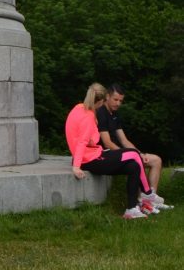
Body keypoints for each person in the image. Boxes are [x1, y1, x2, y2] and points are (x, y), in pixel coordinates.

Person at [65, 82, 160, 219]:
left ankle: (131, 209)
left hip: (93, 155)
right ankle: (147, 193)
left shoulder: (79, 108)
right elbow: (81, 142)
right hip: (90, 160)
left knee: (133, 166)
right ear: (102, 101)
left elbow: (78, 136)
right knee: (134, 154)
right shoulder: (88, 116)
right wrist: (76, 166)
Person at [96, 84, 168, 209]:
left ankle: (150, 200)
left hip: (118, 152)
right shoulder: (101, 112)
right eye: (115, 99)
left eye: (121, 101)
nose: (118, 103)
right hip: (105, 154)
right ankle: (140, 201)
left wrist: (139, 153)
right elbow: (107, 142)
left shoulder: (115, 114)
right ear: (107, 96)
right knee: (136, 161)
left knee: (156, 160)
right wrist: (129, 154)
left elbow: (124, 140)